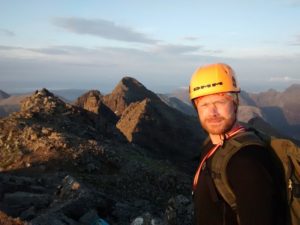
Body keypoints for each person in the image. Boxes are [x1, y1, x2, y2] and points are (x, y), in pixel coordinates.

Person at [189, 63, 290, 225]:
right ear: (197, 108)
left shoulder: (246, 161)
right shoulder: (212, 145)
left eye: (220, 102)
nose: (213, 112)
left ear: (235, 103)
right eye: (204, 105)